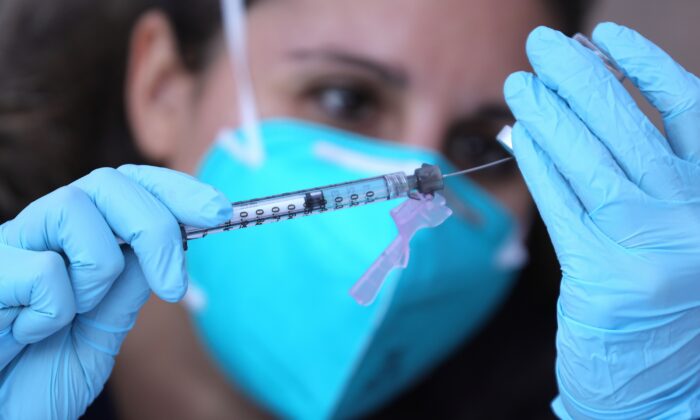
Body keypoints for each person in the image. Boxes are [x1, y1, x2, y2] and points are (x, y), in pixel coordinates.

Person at [0, 2, 698, 420]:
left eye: (481, 143)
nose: (422, 180)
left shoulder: (585, 385)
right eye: (345, 99)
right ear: (160, 89)